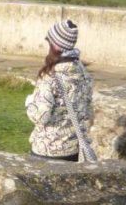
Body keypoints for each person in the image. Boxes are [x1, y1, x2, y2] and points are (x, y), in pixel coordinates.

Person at [25, 20, 95, 161]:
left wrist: (29, 102)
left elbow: (40, 116)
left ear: (56, 45)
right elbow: (86, 109)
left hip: (48, 150)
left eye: (49, 42)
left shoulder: (50, 77)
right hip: (75, 149)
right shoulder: (82, 72)